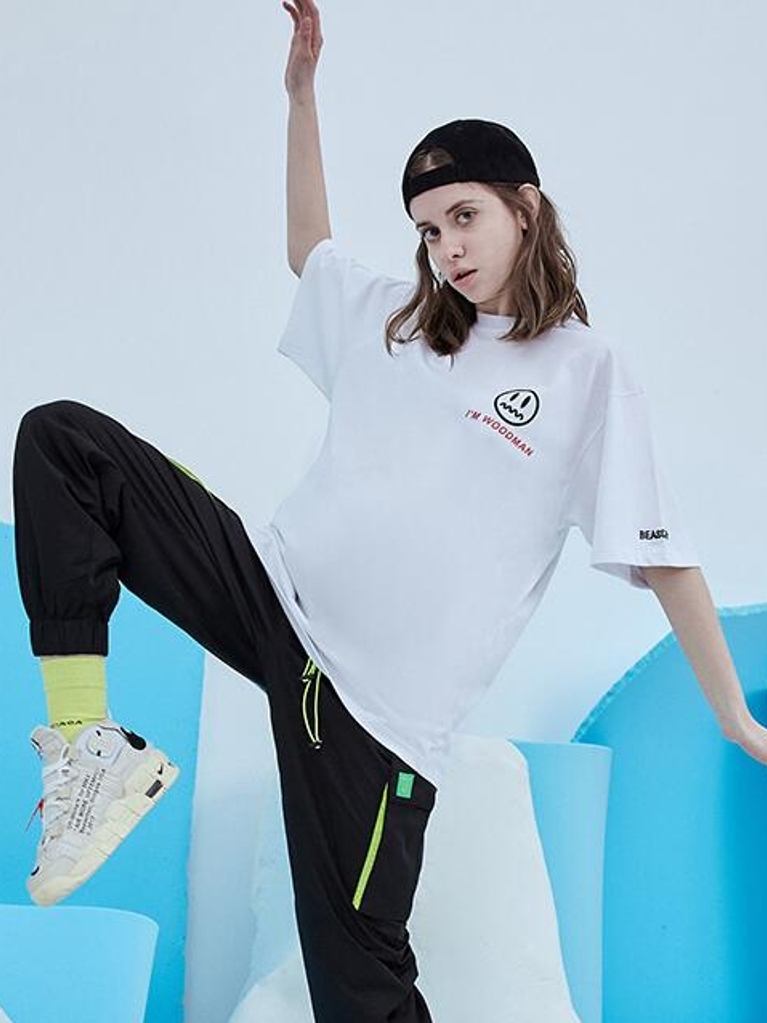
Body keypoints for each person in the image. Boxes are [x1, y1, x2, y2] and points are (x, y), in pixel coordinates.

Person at [11, 1, 767, 1020]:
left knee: (357, 988)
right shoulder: (398, 324)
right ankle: (89, 747)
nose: (445, 246)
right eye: (427, 228)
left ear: (524, 209)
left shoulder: (585, 372)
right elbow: (308, 247)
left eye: (463, 216)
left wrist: (731, 715)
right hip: (270, 596)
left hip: (372, 722)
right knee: (65, 445)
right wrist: (301, 99)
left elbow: (664, 553)